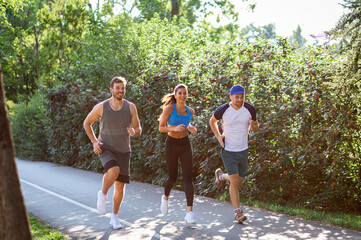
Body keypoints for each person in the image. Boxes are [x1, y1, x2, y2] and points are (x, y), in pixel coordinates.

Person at [83, 76, 142, 229]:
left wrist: (134, 132)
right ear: (111, 90)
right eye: (117, 88)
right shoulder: (101, 107)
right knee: (113, 170)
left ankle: (114, 217)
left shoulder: (130, 107)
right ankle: (102, 194)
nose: (121, 90)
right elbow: (87, 123)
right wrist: (94, 141)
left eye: (123, 88)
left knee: (120, 185)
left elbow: (138, 129)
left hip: (123, 149)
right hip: (106, 146)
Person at [209, 84, 259, 223]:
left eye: (242, 97)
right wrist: (218, 136)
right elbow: (212, 121)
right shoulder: (223, 109)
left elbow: (254, 128)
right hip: (228, 150)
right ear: (231, 97)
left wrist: (253, 124)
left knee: (238, 181)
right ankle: (238, 213)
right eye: (236, 97)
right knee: (235, 181)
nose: (239, 99)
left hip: (243, 149)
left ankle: (221, 176)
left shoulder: (250, 109)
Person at [158, 84, 198, 224]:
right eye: (179, 93)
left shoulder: (190, 111)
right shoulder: (169, 109)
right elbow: (161, 127)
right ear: (175, 95)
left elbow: (186, 125)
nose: (182, 95)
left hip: (185, 144)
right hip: (172, 144)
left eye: (184, 93)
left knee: (188, 177)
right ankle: (165, 198)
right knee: (172, 177)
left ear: (187, 95)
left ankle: (190, 212)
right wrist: (174, 128)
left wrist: (191, 128)